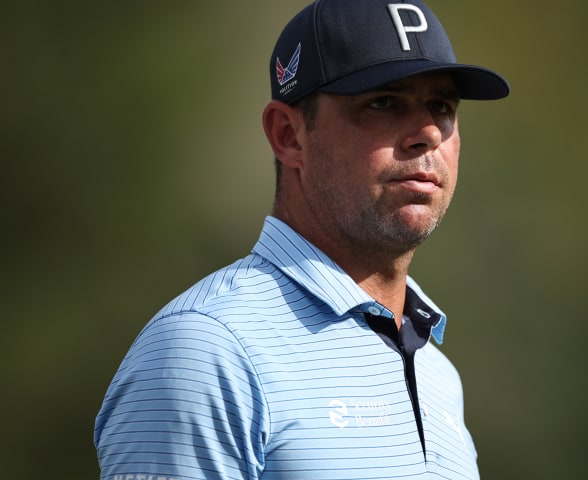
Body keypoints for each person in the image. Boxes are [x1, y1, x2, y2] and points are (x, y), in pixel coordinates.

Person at [93, 0, 509, 478]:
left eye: (441, 106)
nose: (429, 132)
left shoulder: (438, 374)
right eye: (383, 102)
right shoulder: (205, 348)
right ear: (288, 134)